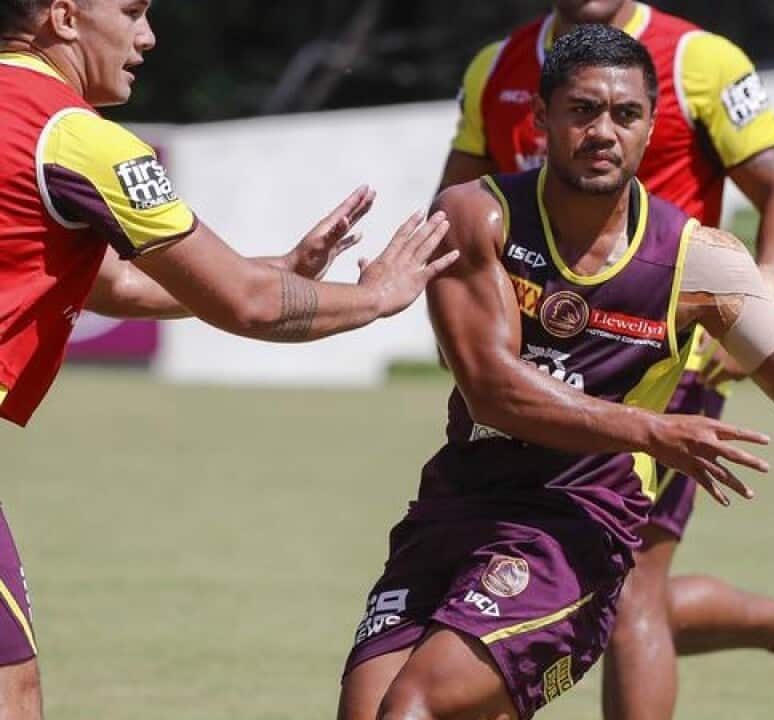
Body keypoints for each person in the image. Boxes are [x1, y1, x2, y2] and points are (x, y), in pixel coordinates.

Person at [338, 25, 774, 720]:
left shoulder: (701, 262)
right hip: (455, 506)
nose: (604, 131)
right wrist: (650, 430)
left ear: (650, 127)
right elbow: (491, 387)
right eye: (583, 111)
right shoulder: (475, 216)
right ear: (541, 120)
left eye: (626, 115)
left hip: (572, 527)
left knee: (414, 708)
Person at [0, 1, 457, 716]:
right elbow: (248, 305)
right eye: (131, 11)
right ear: (63, 16)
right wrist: (372, 297)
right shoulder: (77, 139)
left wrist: (283, 266)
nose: (147, 36)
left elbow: (112, 282)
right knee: (10, 688)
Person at [438, 3, 774, 718]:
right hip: (530, 369)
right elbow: (448, 217)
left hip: (661, 364)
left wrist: (759, 308)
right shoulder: (495, 67)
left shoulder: (701, 59)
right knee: (592, 582)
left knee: (629, 579)